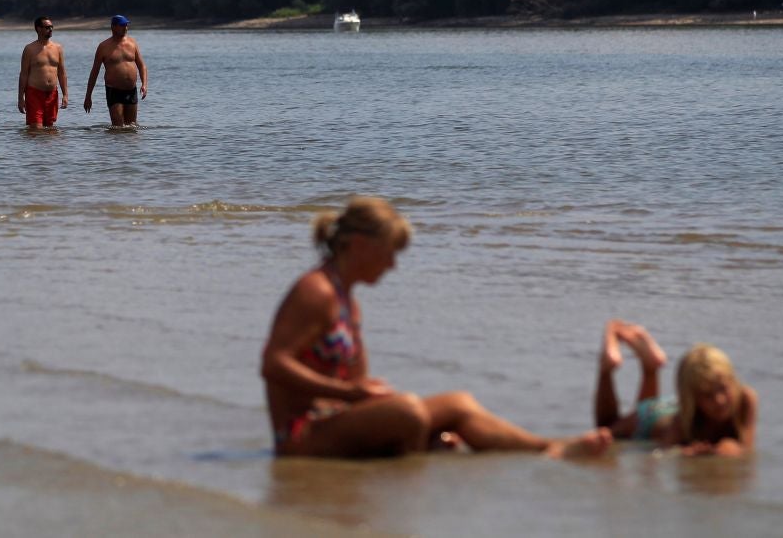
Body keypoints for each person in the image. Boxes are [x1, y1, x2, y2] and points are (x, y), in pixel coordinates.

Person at [261, 196, 612, 459]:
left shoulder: (347, 301)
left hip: (337, 420)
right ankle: (413, 464)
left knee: (459, 403)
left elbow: (357, 384)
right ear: (360, 245)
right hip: (300, 435)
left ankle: (548, 448)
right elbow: (273, 363)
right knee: (408, 411)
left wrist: (362, 395)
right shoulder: (315, 291)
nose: (393, 265)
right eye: (389, 251)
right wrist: (352, 395)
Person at [594, 320, 757, 456]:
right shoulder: (681, 421)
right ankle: (607, 365)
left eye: (723, 389)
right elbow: (660, 453)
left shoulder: (746, 398)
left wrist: (725, 448)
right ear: (693, 397)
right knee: (606, 430)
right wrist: (683, 453)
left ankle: (650, 367)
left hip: (669, 405)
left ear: (733, 381)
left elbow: (745, 447)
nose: (719, 400)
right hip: (651, 416)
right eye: (707, 395)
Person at [83, 14, 148, 127]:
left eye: (126, 25)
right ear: (113, 27)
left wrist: (144, 84)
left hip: (131, 90)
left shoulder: (132, 43)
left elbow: (142, 66)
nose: (125, 28)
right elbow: (94, 72)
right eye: (122, 25)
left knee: (131, 126)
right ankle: (115, 145)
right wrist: (88, 96)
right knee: (117, 126)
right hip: (114, 91)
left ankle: (129, 146)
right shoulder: (103, 46)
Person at [17, 16, 68, 129]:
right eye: (47, 27)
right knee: (36, 129)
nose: (50, 29)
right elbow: (24, 74)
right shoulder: (29, 49)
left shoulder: (57, 48)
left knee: (50, 130)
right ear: (38, 29)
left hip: (52, 94)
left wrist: (65, 95)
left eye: (51, 27)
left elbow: (62, 73)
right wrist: (21, 98)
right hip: (34, 93)